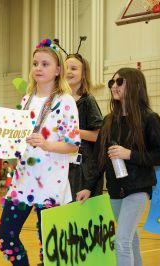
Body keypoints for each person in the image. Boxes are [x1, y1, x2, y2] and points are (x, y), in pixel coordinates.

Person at [0, 38, 81, 265]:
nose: (38, 68)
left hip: (50, 184)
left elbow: (73, 145)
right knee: (5, 237)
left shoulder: (65, 102)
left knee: (48, 247)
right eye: (35, 63)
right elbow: (15, 140)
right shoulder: (26, 100)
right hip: (22, 182)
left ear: (58, 70)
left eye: (45, 64)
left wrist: (46, 144)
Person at [77, 67, 160, 266]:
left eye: (120, 82)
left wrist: (130, 154)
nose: (114, 86)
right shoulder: (109, 121)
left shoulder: (150, 118)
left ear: (134, 86)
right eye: (112, 82)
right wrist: (87, 186)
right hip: (115, 190)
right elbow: (99, 158)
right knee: (131, 238)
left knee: (121, 241)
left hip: (138, 188)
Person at [65, 53, 103, 200]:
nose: (68, 71)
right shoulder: (58, 100)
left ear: (83, 74)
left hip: (84, 169)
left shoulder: (88, 100)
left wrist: (73, 132)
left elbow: (99, 135)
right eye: (66, 68)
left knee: (81, 217)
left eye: (73, 68)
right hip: (63, 165)